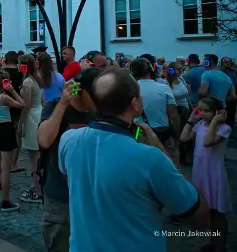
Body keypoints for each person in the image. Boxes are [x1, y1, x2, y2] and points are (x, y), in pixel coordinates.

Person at [59, 68, 209, 252]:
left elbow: (73, 182)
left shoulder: (68, 140)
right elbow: (198, 218)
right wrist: (160, 150)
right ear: (135, 104)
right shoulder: (150, 158)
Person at [37, 68, 99, 252]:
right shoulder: (55, 106)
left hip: (92, 197)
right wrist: (63, 104)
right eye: (96, 94)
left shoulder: (100, 111)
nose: (100, 99)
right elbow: (44, 140)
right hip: (61, 198)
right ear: (81, 91)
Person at [180, 97, 230, 252]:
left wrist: (214, 122)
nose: (202, 114)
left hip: (213, 172)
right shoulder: (200, 124)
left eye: (207, 111)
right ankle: (212, 242)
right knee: (206, 208)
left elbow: (208, 142)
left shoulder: (224, 128)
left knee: (217, 212)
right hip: (200, 170)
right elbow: (183, 138)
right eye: (200, 110)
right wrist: (190, 120)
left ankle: (220, 246)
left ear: (218, 112)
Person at [130, 58, 179, 164]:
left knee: (143, 165)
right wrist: (176, 136)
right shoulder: (164, 88)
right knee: (170, 164)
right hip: (164, 132)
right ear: (151, 69)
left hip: (140, 133)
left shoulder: (130, 90)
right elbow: (173, 116)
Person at [0, 71, 24, 211]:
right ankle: (5, 201)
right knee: (6, 168)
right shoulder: (4, 97)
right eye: (6, 81)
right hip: (5, 128)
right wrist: (12, 91)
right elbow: (22, 104)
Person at [19, 54, 44, 203]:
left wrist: (20, 124)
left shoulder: (28, 82)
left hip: (31, 117)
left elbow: (26, 105)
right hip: (38, 113)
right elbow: (42, 100)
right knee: (39, 154)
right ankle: (38, 185)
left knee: (34, 157)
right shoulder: (37, 78)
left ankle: (38, 190)